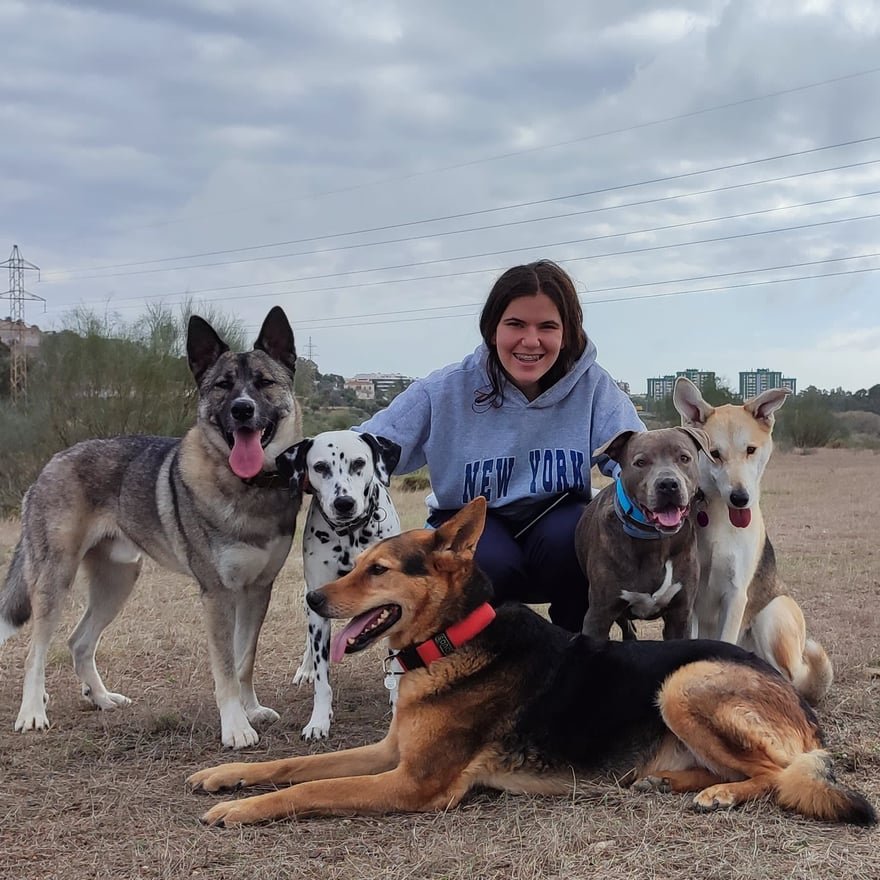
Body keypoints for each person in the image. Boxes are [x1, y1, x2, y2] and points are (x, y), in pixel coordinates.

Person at [356, 260, 645, 632]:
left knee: (580, 531)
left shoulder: (593, 386)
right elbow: (366, 447)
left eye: (547, 327)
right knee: (487, 560)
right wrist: (278, 463)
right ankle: (478, 661)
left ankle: (578, 653)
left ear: (568, 333)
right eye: (515, 324)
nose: (530, 340)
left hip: (556, 528)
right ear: (492, 329)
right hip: (472, 523)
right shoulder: (445, 389)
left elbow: (638, 456)